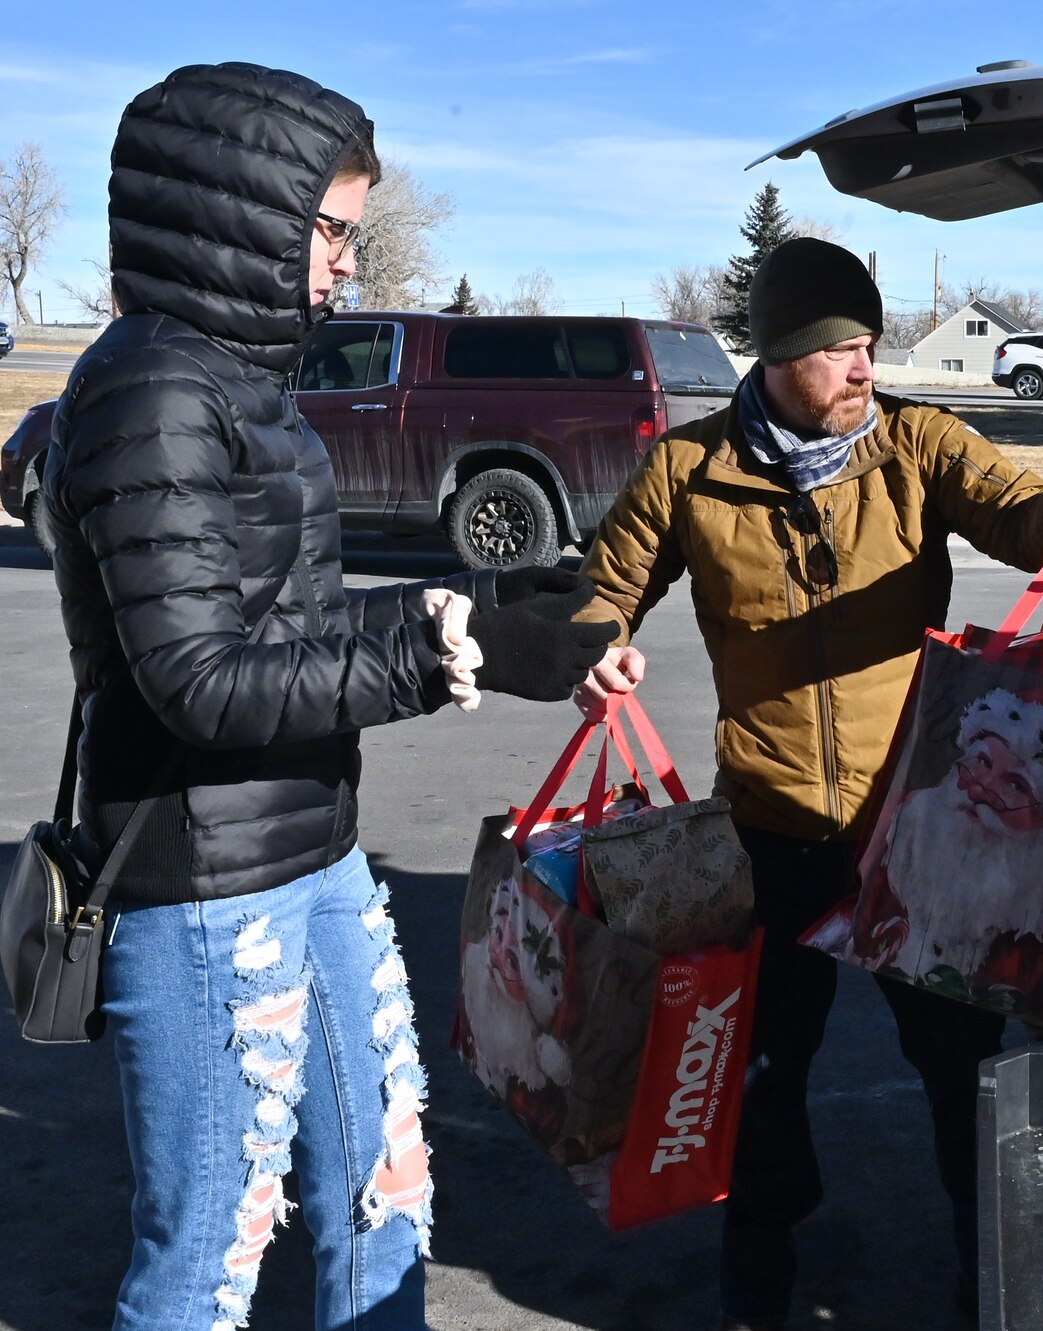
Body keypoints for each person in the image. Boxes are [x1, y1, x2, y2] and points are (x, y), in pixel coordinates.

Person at [42, 62, 616, 1330]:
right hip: (202, 897)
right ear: (236, 210)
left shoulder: (236, 379)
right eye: (332, 230)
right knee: (206, 1257)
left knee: (382, 1198)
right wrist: (435, 654)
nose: (346, 267)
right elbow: (199, 682)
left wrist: (498, 608)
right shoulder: (154, 391)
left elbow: (290, 625)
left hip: (313, 852)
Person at [571, 235, 1043, 1329]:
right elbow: (603, 586)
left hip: (917, 827)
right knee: (762, 1072)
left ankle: (988, 1265)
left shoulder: (917, 444)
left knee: (957, 1061)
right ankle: (759, 1270)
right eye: (840, 351)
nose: (865, 368)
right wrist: (592, 645)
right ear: (781, 354)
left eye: (871, 345)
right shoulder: (688, 472)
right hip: (768, 829)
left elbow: (1019, 516)